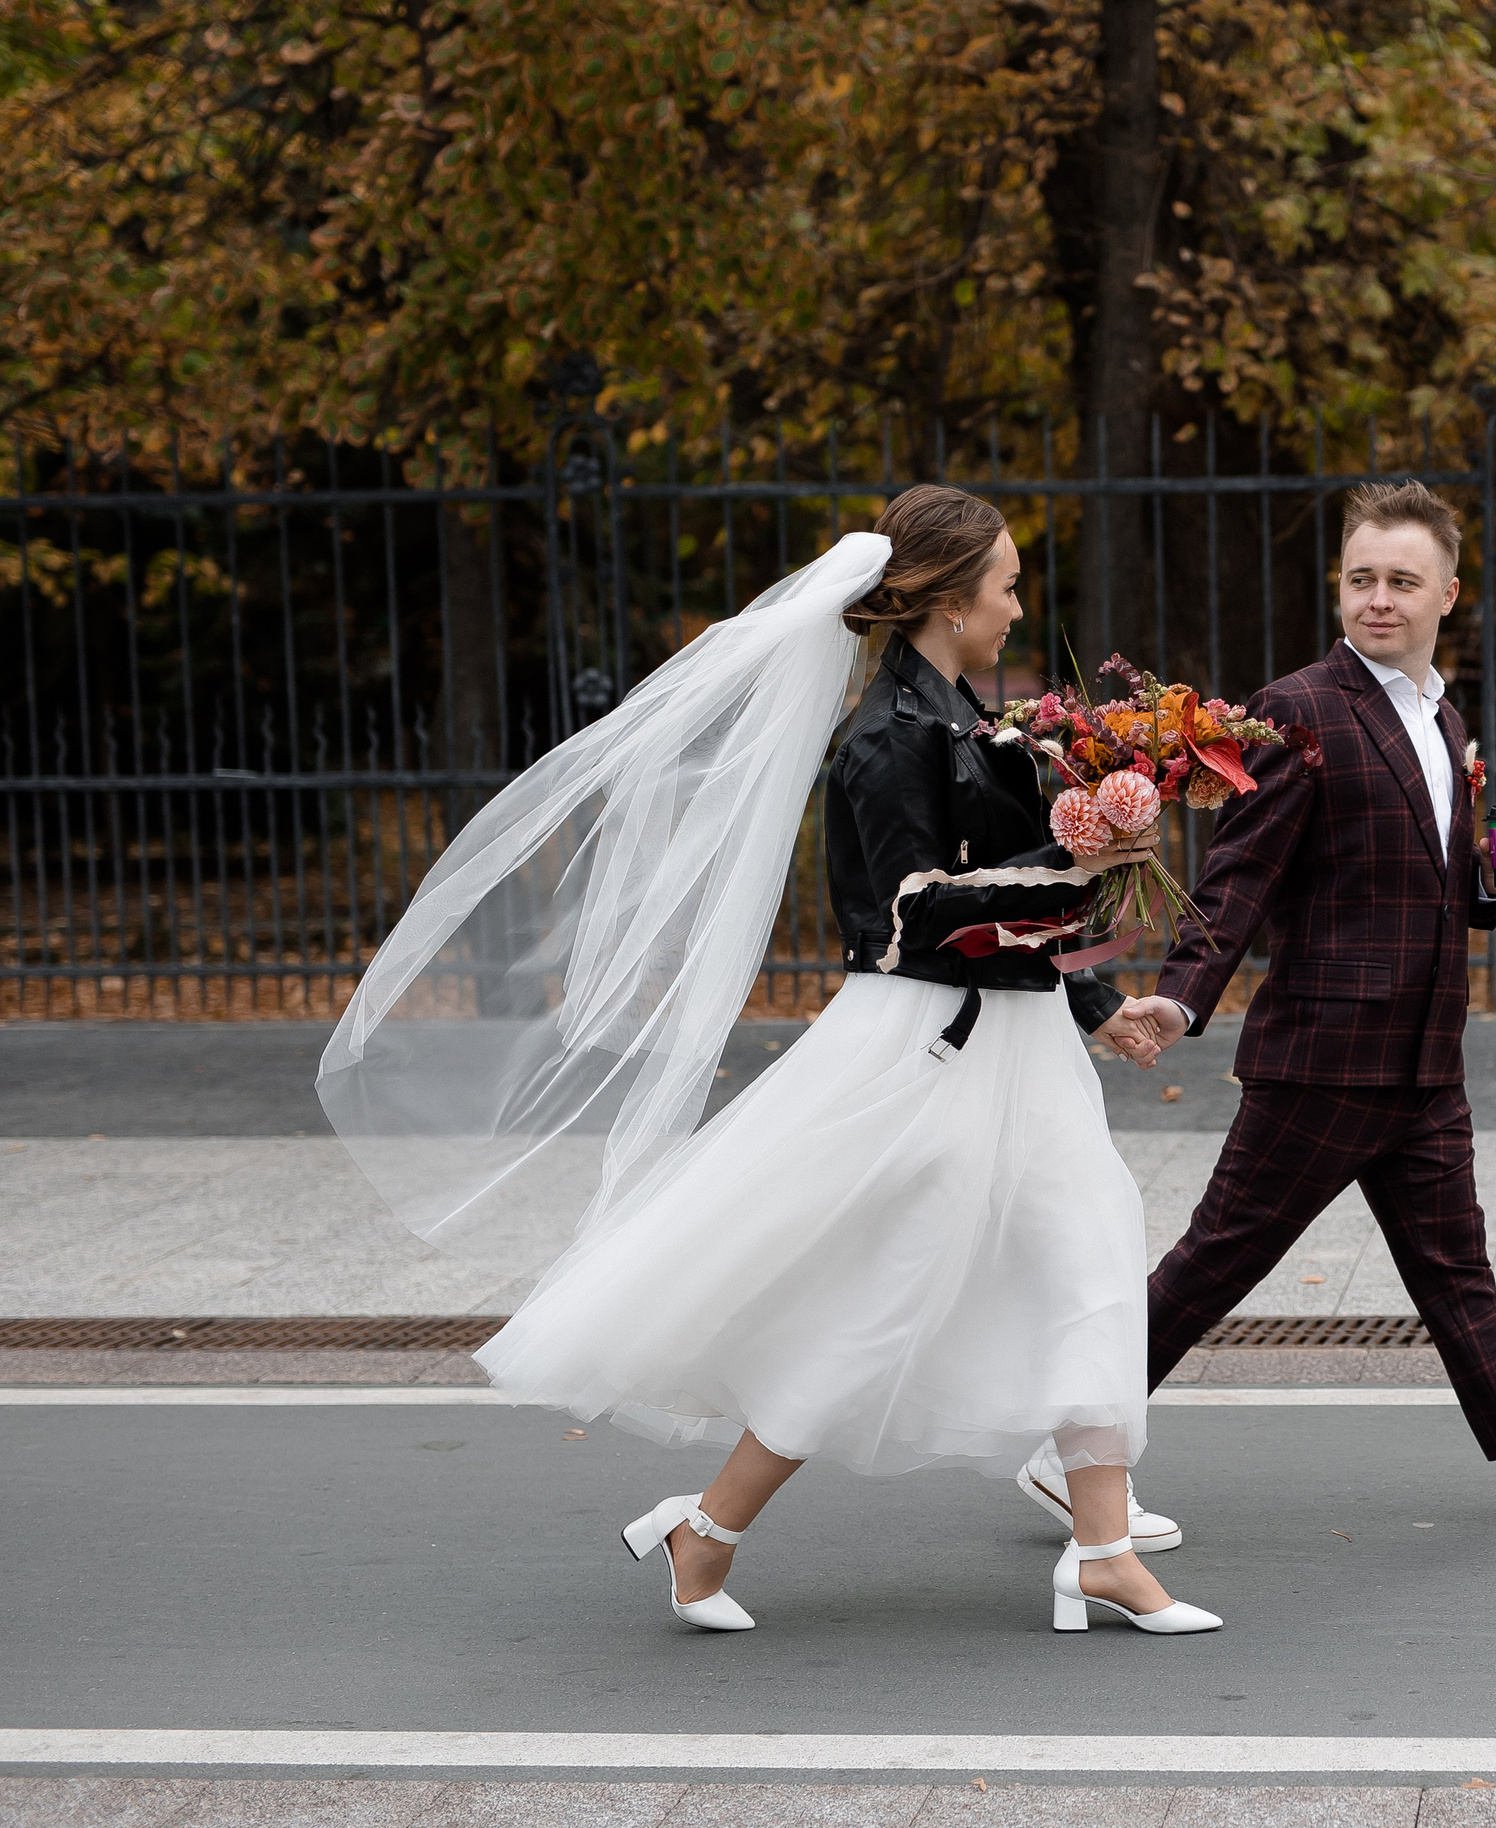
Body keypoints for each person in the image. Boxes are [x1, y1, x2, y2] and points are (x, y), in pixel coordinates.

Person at [319, 485, 1217, 1637]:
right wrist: (1076, 856)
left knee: (1088, 1263)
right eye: (1003, 584)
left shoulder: (974, 718)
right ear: (945, 598)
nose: (1015, 605)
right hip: (927, 1058)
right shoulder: (888, 738)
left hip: (1026, 1052)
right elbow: (908, 916)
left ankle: (1102, 1551)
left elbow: (1017, 912)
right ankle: (708, 1528)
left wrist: (1095, 998)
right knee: (878, 1305)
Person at [1089, 479, 1496, 1526]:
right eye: (1361, 578)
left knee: (1454, 1265)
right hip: (1323, 1056)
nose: (1378, 599)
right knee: (1217, 1260)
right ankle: (1076, 1447)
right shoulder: (1298, 707)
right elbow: (1240, 875)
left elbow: (1427, 878)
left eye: (1401, 581)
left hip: (1420, 1057)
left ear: (1447, 592)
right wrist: (1182, 1001)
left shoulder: (1442, 714)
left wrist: (1494, 886)